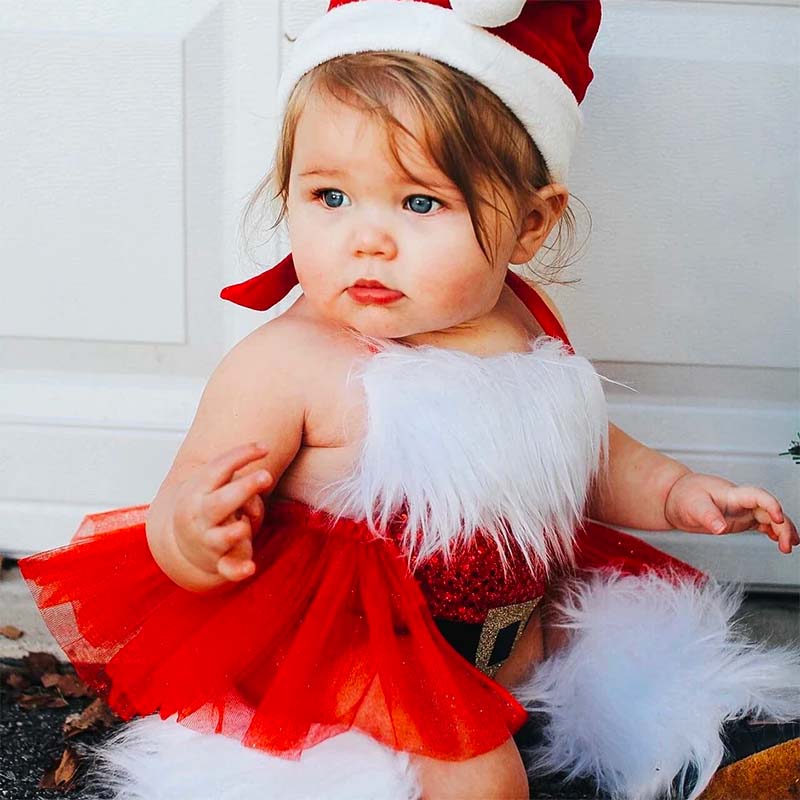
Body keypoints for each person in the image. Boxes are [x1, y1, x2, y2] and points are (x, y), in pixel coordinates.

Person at [18, 2, 800, 799]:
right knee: (480, 771)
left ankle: (696, 758)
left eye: (419, 203)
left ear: (530, 225)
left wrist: (677, 492)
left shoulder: (514, 321)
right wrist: (193, 535)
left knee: (638, 644)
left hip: (502, 614)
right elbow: (188, 491)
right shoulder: (286, 363)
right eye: (330, 196)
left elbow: (583, 454)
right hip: (351, 642)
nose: (368, 239)